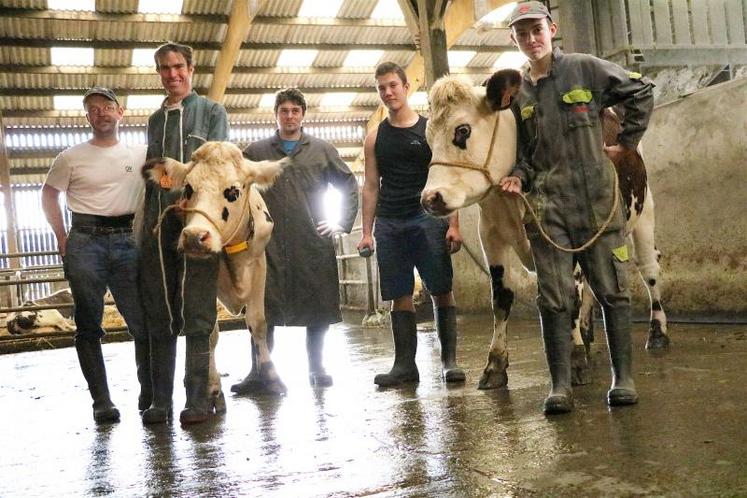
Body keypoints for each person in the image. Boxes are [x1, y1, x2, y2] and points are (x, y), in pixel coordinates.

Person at [499, 2, 655, 414]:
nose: (531, 39)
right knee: (553, 299)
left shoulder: (585, 69)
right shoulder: (519, 95)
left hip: (597, 205)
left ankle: (623, 378)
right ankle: (560, 386)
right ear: (513, 39)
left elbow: (640, 90)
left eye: (537, 30)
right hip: (548, 211)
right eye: (522, 33)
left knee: (613, 292)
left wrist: (626, 142)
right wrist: (519, 176)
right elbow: (525, 156)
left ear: (552, 29)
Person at [233, 88, 358, 392]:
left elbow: (348, 184)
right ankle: (259, 370)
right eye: (284, 110)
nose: (289, 116)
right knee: (263, 308)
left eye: (294, 110)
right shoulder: (256, 151)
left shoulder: (322, 150)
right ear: (275, 114)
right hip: (268, 244)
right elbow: (233, 184)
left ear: (303, 114)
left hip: (310, 240)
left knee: (317, 306)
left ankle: (317, 367)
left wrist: (341, 221)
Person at [41, 86, 148, 423]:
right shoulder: (70, 157)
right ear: (87, 117)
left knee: (141, 323)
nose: (101, 113)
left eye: (107, 107)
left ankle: (150, 394)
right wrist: (61, 236)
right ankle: (101, 401)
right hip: (85, 241)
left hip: (128, 239)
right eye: (93, 109)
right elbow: (48, 195)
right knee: (88, 325)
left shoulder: (140, 154)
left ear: (121, 112)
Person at [357, 62, 465, 387]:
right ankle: (405, 366)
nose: (388, 92)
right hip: (390, 222)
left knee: (441, 289)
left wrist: (453, 224)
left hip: (428, 217)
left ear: (406, 87)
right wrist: (365, 232)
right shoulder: (374, 138)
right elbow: (371, 185)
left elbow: (447, 177)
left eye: (393, 85)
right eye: (381, 88)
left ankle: (449, 361)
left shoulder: (430, 131)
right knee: (398, 293)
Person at [138, 42, 229, 425]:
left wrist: (185, 194)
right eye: (164, 68)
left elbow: (218, 165)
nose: (171, 74)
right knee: (161, 311)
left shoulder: (211, 112)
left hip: (197, 224)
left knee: (196, 310)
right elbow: (152, 172)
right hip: (159, 225)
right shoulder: (155, 121)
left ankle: (198, 398)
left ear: (191, 69)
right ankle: (161, 400)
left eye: (178, 66)